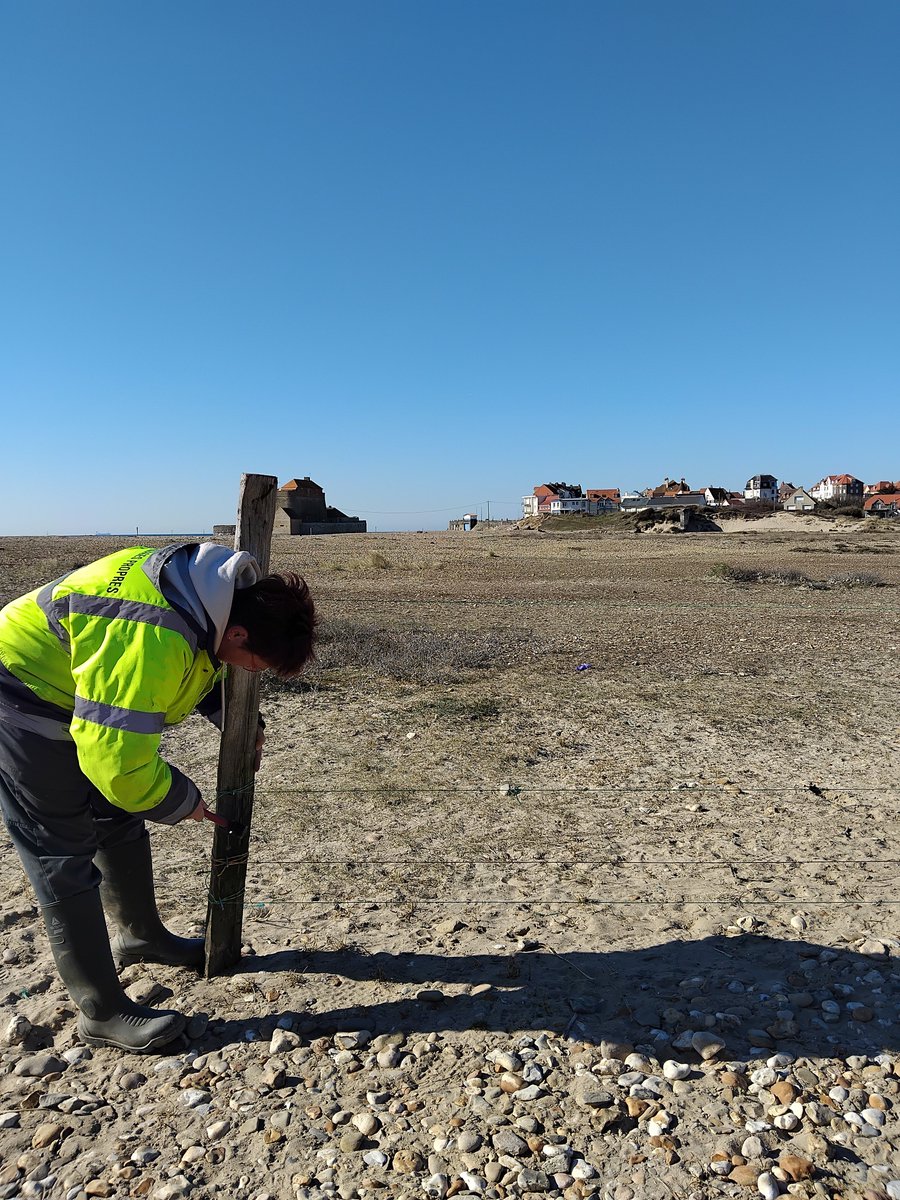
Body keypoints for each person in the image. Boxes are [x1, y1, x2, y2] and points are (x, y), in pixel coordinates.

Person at [0, 542, 316, 1052]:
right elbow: (119, 765)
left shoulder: (208, 590)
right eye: (253, 663)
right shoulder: (149, 635)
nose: (249, 672)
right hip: (20, 696)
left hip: (76, 682)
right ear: (236, 633)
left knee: (118, 819)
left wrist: (232, 715)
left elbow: (201, 654)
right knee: (62, 853)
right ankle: (101, 1012)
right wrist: (183, 801)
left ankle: (141, 936)